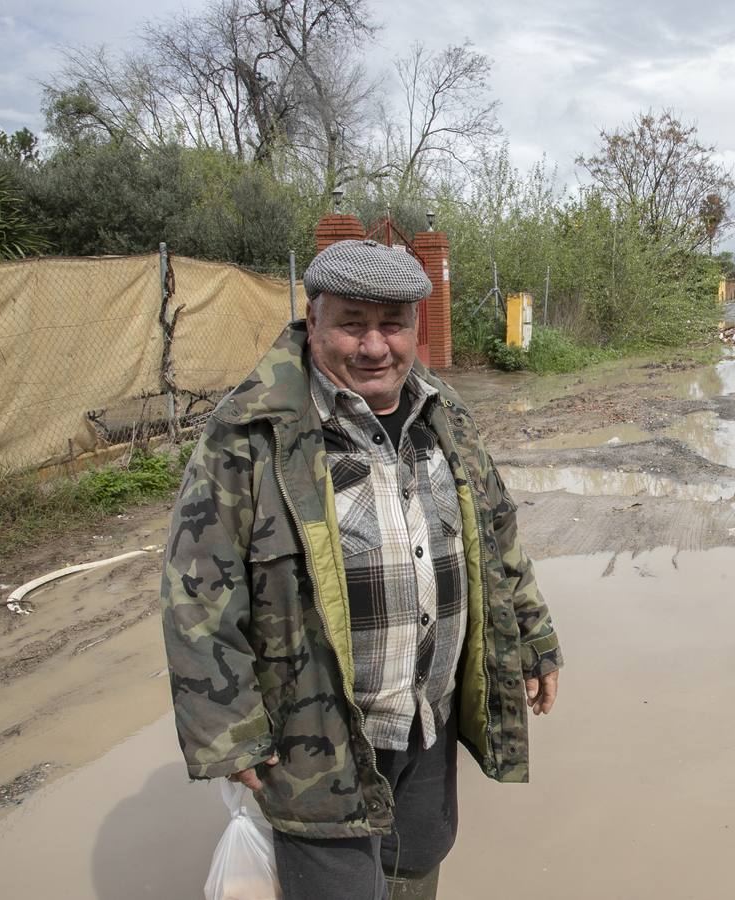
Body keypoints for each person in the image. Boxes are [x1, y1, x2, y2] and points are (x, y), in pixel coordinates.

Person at [160, 239, 562, 900]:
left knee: (419, 858)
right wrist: (228, 732)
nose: (375, 346)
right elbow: (196, 592)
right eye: (352, 324)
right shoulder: (251, 434)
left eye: (392, 325)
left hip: (427, 718)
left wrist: (535, 639)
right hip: (316, 737)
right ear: (313, 320)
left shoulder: (444, 415)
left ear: (415, 328)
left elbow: (497, 535)